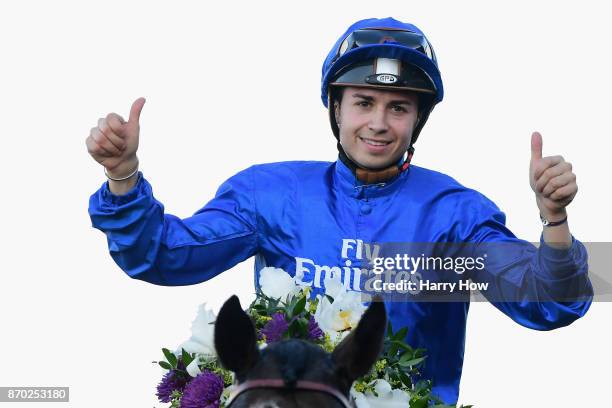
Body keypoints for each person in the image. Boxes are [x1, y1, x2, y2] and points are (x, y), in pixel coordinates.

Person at [87, 17, 592, 404]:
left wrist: (555, 221)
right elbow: (163, 256)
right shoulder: (272, 194)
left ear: (418, 120)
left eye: (398, 107)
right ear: (336, 107)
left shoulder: (453, 213)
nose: (378, 122)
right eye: (364, 101)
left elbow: (548, 303)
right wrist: (122, 176)